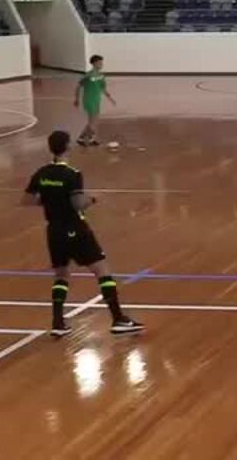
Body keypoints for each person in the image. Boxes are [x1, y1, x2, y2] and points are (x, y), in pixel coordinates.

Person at [21, 130, 143, 337]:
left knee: (61, 275)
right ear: (68, 146)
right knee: (102, 270)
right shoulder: (72, 174)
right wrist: (92, 199)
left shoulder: (41, 173)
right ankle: (118, 318)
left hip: (54, 231)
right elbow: (78, 203)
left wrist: (51, 200)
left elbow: (26, 200)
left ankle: (58, 322)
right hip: (75, 229)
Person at [75, 54, 115, 147]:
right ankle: (91, 139)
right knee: (92, 121)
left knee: (93, 121)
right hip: (89, 100)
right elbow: (78, 86)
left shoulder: (101, 76)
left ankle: (81, 138)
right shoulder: (88, 75)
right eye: (99, 63)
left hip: (97, 100)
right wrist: (76, 99)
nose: (101, 64)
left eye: (102, 62)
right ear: (94, 64)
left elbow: (102, 87)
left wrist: (110, 97)